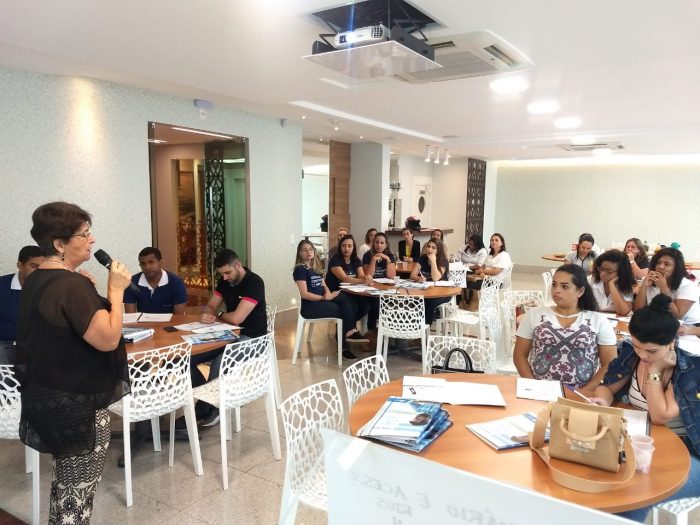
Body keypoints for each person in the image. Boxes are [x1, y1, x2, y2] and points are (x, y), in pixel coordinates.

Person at [16, 202, 131, 523]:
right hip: (77, 406)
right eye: (84, 234)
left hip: (49, 398)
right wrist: (115, 292)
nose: (92, 240)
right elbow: (108, 339)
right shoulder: (70, 284)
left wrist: (86, 291)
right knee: (77, 497)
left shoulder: (37, 278)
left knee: (65, 488)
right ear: (59, 243)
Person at [592, 295, 700, 523]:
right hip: (638, 444)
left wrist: (655, 370)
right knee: (600, 490)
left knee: (632, 504)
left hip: (684, 454)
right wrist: (602, 400)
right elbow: (607, 387)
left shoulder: (690, 369)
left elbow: (660, 415)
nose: (642, 355)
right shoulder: (631, 354)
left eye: (651, 351)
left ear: (671, 343)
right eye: (637, 346)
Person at [513, 264, 616, 396]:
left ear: (580, 291)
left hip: (581, 393)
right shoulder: (534, 315)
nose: (556, 290)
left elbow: (609, 363)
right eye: (554, 285)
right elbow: (519, 355)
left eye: (564, 286)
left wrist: (586, 391)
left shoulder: (598, 320)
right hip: (539, 390)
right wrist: (533, 386)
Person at [195, 248, 268, 425]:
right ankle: (206, 400)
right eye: (222, 274)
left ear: (238, 265)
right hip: (228, 335)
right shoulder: (225, 281)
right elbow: (211, 305)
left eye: (227, 273)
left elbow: (236, 318)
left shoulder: (254, 282)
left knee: (221, 361)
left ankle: (213, 408)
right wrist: (206, 313)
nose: (225, 277)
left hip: (254, 338)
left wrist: (219, 314)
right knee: (191, 357)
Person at [294, 240, 368, 360]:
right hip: (310, 305)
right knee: (342, 309)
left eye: (311, 249)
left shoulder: (315, 268)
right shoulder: (300, 270)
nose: (308, 252)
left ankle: (349, 331)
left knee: (349, 301)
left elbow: (324, 285)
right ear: (300, 253)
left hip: (322, 299)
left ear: (314, 252)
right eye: (305, 250)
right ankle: (344, 345)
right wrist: (324, 297)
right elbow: (304, 294)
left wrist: (328, 293)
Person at [0, 245, 44, 364]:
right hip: (4, 345)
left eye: (43, 268)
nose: (39, 272)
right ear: (20, 265)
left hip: (38, 346)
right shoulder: (2, 285)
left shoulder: (50, 288)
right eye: (34, 266)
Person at [634, 247, 700, 325]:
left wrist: (663, 288)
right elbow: (638, 311)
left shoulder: (687, 286)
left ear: (676, 268)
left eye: (667, 264)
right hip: (660, 324)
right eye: (658, 263)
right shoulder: (651, 281)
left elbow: (677, 316)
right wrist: (644, 287)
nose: (661, 267)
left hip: (689, 326)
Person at [123, 247, 187, 314]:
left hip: (170, 321)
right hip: (142, 321)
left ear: (161, 263)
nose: (147, 267)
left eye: (151, 262)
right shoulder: (132, 283)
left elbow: (179, 317)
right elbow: (130, 316)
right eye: (143, 264)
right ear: (140, 265)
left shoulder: (176, 282)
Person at [325, 234, 371, 328]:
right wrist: (362, 281)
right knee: (350, 303)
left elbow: (361, 275)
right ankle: (349, 330)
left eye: (349, 246)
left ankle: (348, 328)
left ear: (353, 247)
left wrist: (366, 277)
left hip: (351, 291)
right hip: (335, 291)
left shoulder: (355, 259)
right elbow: (344, 279)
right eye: (344, 246)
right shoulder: (335, 259)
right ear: (340, 247)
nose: (347, 249)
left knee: (366, 304)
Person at [410, 239, 451, 324]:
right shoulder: (423, 258)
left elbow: (435, 278)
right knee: (415, 300)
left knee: (429, 302)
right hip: (426, 290)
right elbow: (412, 275)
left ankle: (426, 326)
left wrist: (433, 261)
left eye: (433, 248)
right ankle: (415, 325)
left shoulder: (443, 260)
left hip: (442, 292)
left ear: (438, 250)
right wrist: (418, 278)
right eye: (428, 246)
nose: (429, 249)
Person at [588, 249, 635, 316]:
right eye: (601, 269)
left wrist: (611, 285)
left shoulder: (626, 284)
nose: (602, 273)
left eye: (609, 271)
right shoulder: (591, 280)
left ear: (621, 272)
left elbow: (623, 311)